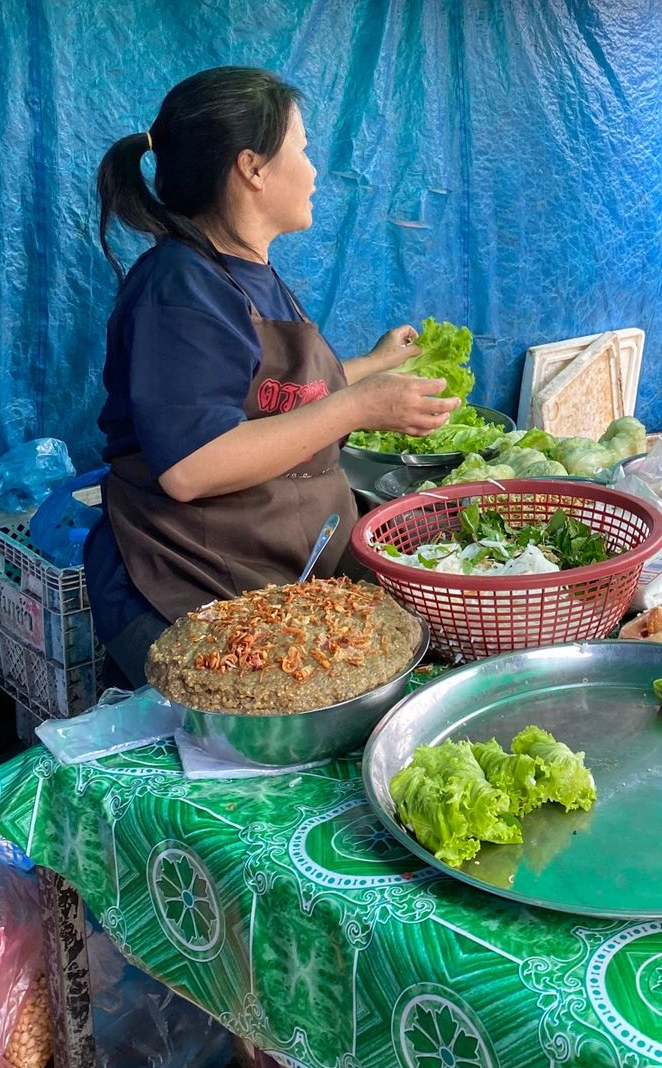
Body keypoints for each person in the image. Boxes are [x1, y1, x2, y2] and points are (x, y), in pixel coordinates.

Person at [84, 66, 458, 687]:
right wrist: (358, 407)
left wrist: (373, 366)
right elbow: (192, 465)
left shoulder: (248, 271)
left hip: (277, 563)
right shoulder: (179, 287)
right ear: (252, 167)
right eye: (303, 151)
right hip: (189, 579)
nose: (314, 173)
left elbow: (269, 399)